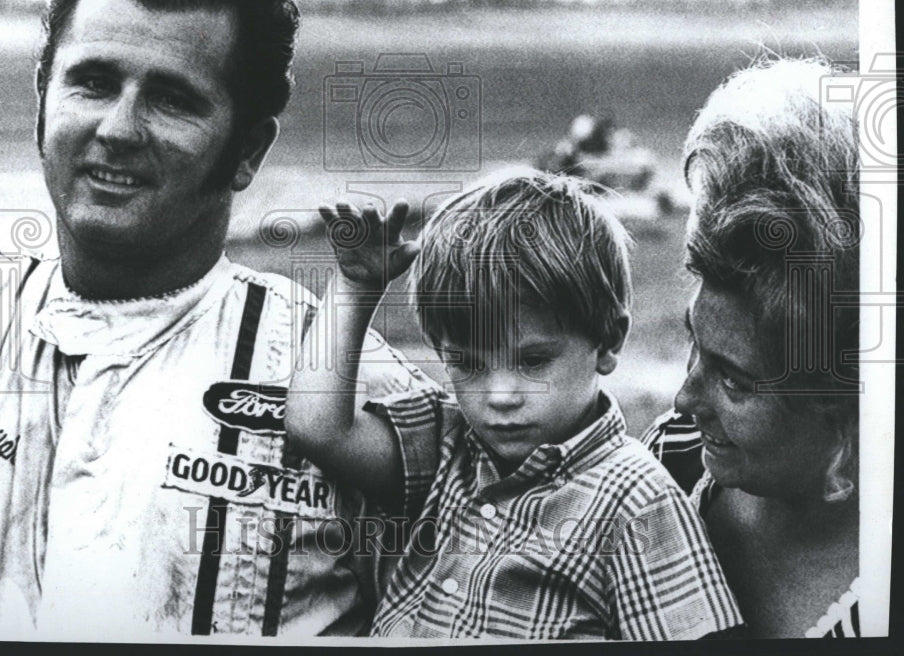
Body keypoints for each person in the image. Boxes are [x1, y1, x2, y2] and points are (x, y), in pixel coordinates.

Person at [0, 0, 427, 638]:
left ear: (246, 149)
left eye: (172, 99)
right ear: (41, 97)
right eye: (92, 82)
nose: (119, 128)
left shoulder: (332, 375)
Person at [286, 170, 744, 639]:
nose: (499, 395)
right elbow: (317, 428)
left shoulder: (634, 499)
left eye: (533, 360)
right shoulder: (447, 445)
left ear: (607, 341)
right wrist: (355, 289)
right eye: (468, 364)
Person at [642, 58, 861, 638]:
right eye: (694, 343)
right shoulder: (669, 462)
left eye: (734, 380)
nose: (684, 400)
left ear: (846, 422)